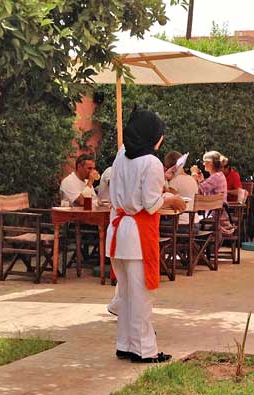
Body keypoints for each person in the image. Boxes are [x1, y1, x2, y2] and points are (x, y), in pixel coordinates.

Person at [106, 108, 185, 363]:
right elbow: (151, 204)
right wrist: (171, 198)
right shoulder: (151, 162)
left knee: (127, 292)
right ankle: (144, 350)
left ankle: (125, 344)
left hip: (117, 230)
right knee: (140, 296)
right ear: (154, 136)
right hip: (138, 233)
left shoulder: (120, 155)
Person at [163, 150, 199, 230]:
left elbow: (169, 205)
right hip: (195, 223)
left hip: (181, 224)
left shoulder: (174, 181)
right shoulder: (192, 179)